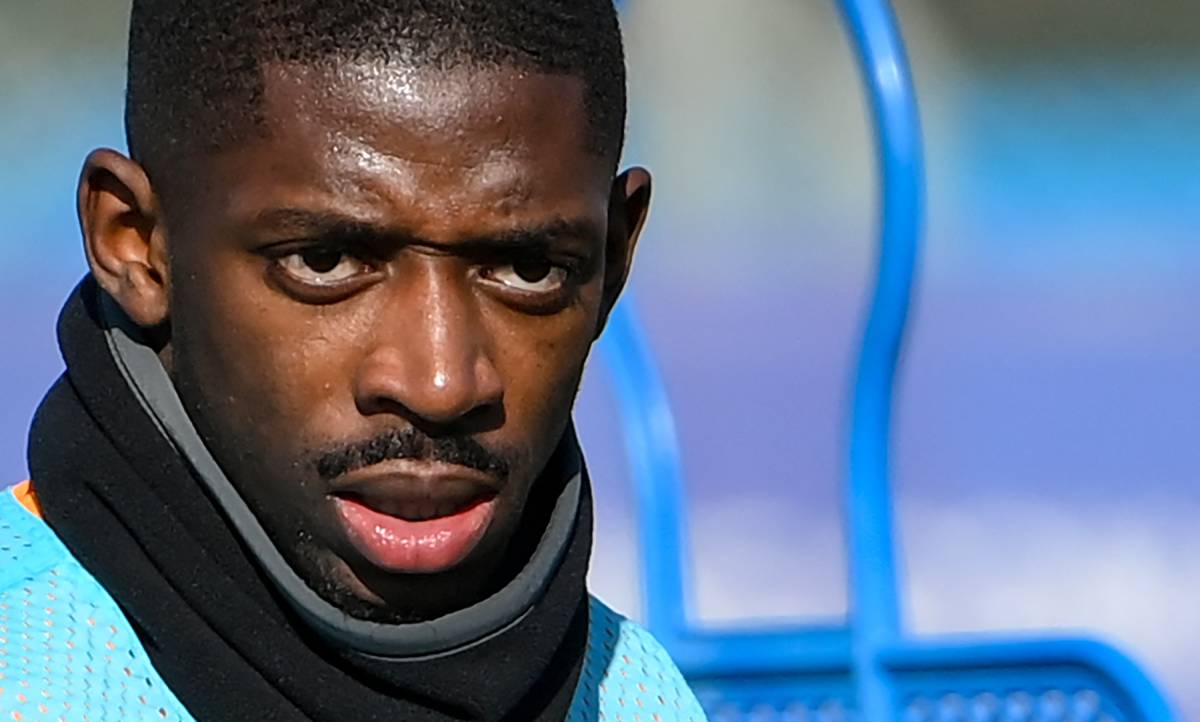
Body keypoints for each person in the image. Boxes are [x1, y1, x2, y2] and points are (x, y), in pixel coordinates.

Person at [0, 2, 707, 720]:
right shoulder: (28, 678)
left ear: (613, 261)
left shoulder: (636, 696)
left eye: (528, 268)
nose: (440, 383)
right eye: (325, 260)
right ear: (137, 246)